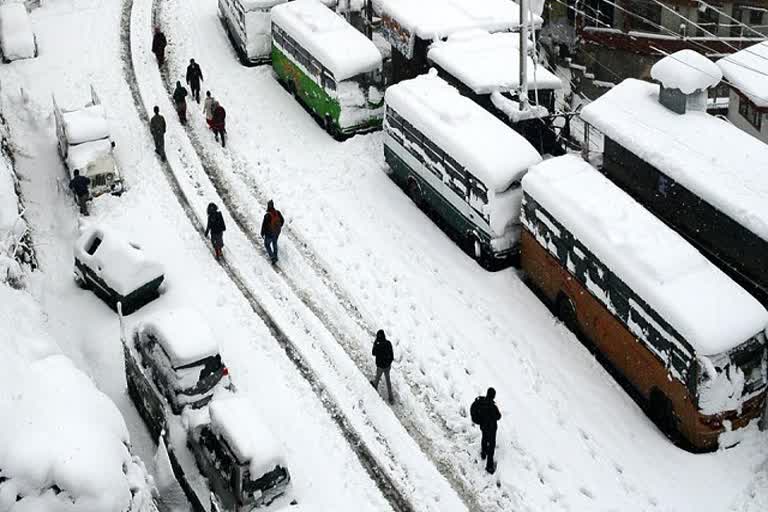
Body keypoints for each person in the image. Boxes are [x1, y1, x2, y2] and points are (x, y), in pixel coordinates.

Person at [470, 387, 502, 474]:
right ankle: (489, 466)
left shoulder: (481, 402)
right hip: (492, 428)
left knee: (484, 438)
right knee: (491, 445)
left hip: (483, 426)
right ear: (493, 396)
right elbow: (498, 416)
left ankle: (483, 453)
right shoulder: (493, 406)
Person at [370, 330, 394, 404]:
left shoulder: (378, 345)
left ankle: (375, 387)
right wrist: (389, 362)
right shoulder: (388, 343)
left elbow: (373, 353)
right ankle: (391, 397)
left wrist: (375, 343)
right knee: (388, 380)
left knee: (377, 377)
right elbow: (392, 355)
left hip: (380, 366)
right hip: (387, 366)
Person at [260, 200, 284, 264]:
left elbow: (264, 226)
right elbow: (282, 221)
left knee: (267, 244)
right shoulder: (278, 212)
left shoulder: (267, 216)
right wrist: (278, 228)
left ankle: (272, 257)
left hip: (269, 234)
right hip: (277, 232)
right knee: (274, 243)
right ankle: (275, 256)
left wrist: (262, 233)